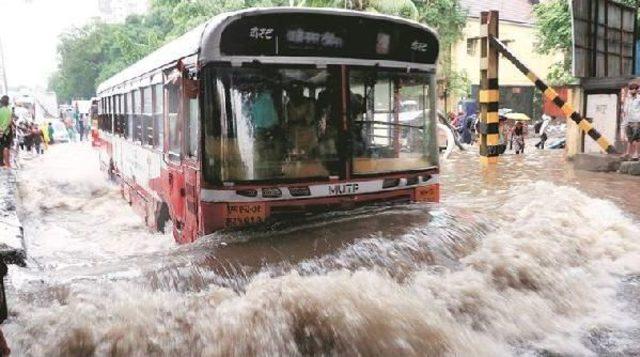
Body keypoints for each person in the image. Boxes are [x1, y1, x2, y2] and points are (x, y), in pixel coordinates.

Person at [622, 82, 640, 160]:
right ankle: (627, 153)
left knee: (637, 138)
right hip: (627, 121)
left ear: (636, 90)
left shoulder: (639, 99)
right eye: (630, 89)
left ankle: (637, 154)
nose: (631, 91)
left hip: (636, 120)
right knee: (629, 138)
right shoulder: (628, 99)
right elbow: (625, 110)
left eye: (632, 89)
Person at [0, 96, 13, 167]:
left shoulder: (0, 110)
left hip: (2, 131)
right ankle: (8, 165)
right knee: (6, 147)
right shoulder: (9, 110)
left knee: (3, 147)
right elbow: (9, 122)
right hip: (7, 132)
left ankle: (3, 164)